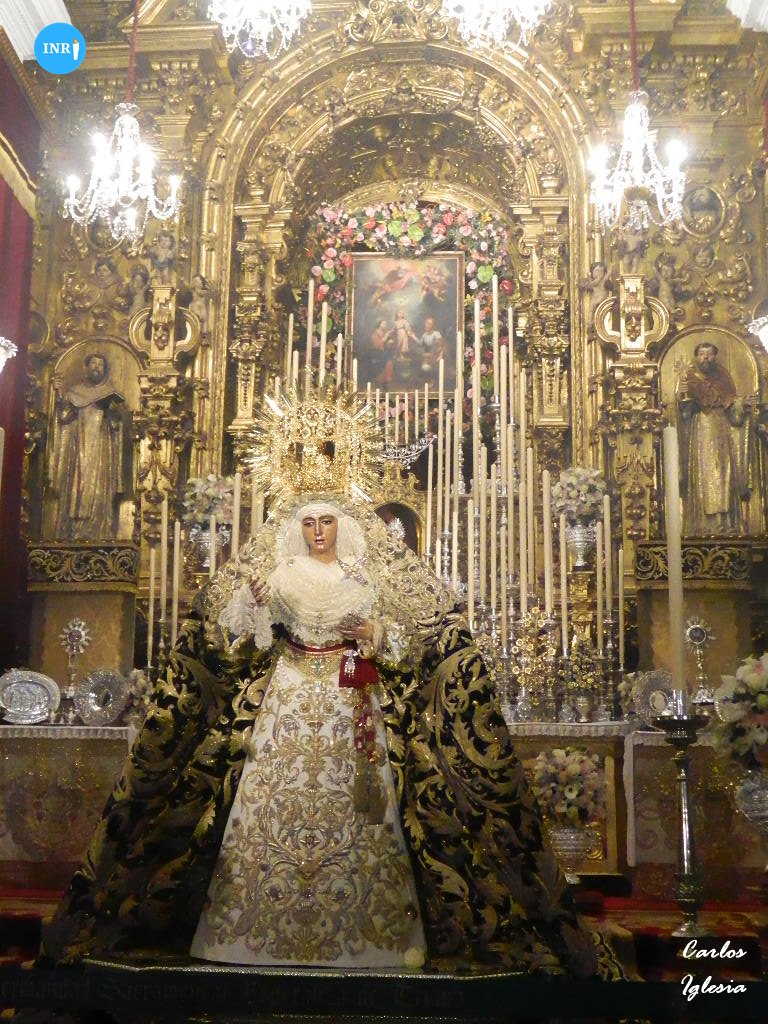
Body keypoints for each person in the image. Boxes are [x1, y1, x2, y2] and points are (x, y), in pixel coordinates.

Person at [41, 387, 619, 979]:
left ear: (343, 524)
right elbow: (240, 637)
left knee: (367, 809)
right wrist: (255, 604)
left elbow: (407, 636)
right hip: (286, 699)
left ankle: (373, 936)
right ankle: (248, 931)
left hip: (354, 701)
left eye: (327, 521)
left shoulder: (364, 574)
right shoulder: (279, 571)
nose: (318, 530)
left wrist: (373, 632)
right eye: (310, 522)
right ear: (298, 527)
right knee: (260, 805)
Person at [677, 341, 757, 536]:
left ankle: (726, 523)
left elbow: (733, 409)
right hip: (700, 429)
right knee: (704, 474)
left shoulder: (723, 376)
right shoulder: (688, 377)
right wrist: (682, 397)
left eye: (710, 353)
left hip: (722, 429)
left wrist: (742, 404)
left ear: (715, 356)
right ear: (696, 357)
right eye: (702, 353)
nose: (706, 357)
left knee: (723, 474)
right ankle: (702, 525)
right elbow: (684, 412)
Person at [48, 353, 129, 541]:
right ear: (86, 367)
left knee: (99, 486)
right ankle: (73, 531)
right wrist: (58, 394)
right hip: (78, 448)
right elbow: (63, 418)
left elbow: (116, 426)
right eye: (93, 363)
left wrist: (113, 412)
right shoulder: (74, 393)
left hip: (101, 449)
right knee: (77, 486)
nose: (96, 368)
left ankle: (98, 530)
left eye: (100, 365)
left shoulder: (109, 393)